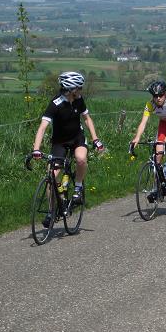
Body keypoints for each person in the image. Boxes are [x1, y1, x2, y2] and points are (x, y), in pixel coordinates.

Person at [32, 72, 105, 225]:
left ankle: (78, 188)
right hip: (59, 142)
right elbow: (42, 127)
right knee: (52, 175)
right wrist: (36, 149)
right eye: (79, 87)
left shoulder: (78, 100)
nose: (81, 90)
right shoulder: (55, 104)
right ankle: (52, 211)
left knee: (80, 158)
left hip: (77, 138)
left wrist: (95, 139)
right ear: (71, 89)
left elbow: (87, 119)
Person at [130, 80, 166, 188]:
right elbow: (143, 123)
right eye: (155, 96)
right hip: (164, 123)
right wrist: (136, 138)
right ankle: (159, 184)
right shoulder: (150, 104)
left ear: (165, 93)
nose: (158, 98)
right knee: (158, 153)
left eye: (161, 95)